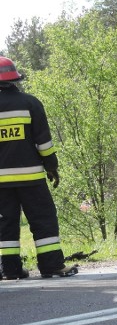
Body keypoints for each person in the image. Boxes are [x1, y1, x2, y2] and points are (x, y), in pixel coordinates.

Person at [0, 57, 77, 279]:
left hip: (1, 183)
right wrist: (52, 167)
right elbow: (44, 143)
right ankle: (51, 265)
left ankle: (10, 270)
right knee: (43, 220)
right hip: (31, 178)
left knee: (5, 226)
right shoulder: (30, 103)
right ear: (15, 79)